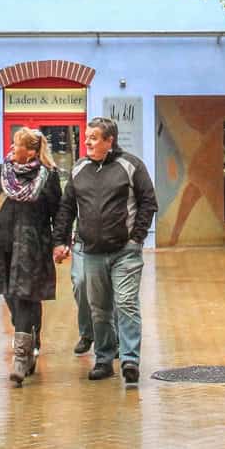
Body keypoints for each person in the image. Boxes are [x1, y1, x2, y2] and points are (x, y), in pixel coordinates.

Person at [51, 116, 157, 384]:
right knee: (99, 309)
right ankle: (104, 360)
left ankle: (130, 360)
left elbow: (148, 202)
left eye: (94, 137)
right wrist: (60, 240)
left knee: (126, 303)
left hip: (125, 252)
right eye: (87, 137)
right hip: (91, 252)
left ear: (110, 141)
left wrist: (136, 238)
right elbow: (66, 207)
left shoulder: (131, 166)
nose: (87, 141)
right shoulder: (79, 169)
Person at [0, 126, 63, 386]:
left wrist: (59, 242)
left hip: (32, 245)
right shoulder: (2, 174)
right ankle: (32, 340)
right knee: (13, 297)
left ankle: (21, 358)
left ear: (32, 151)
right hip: (2, 244)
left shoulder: (47, 176)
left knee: (25, 297)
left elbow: (59, 212)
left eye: (17, 145)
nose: (12, 149)